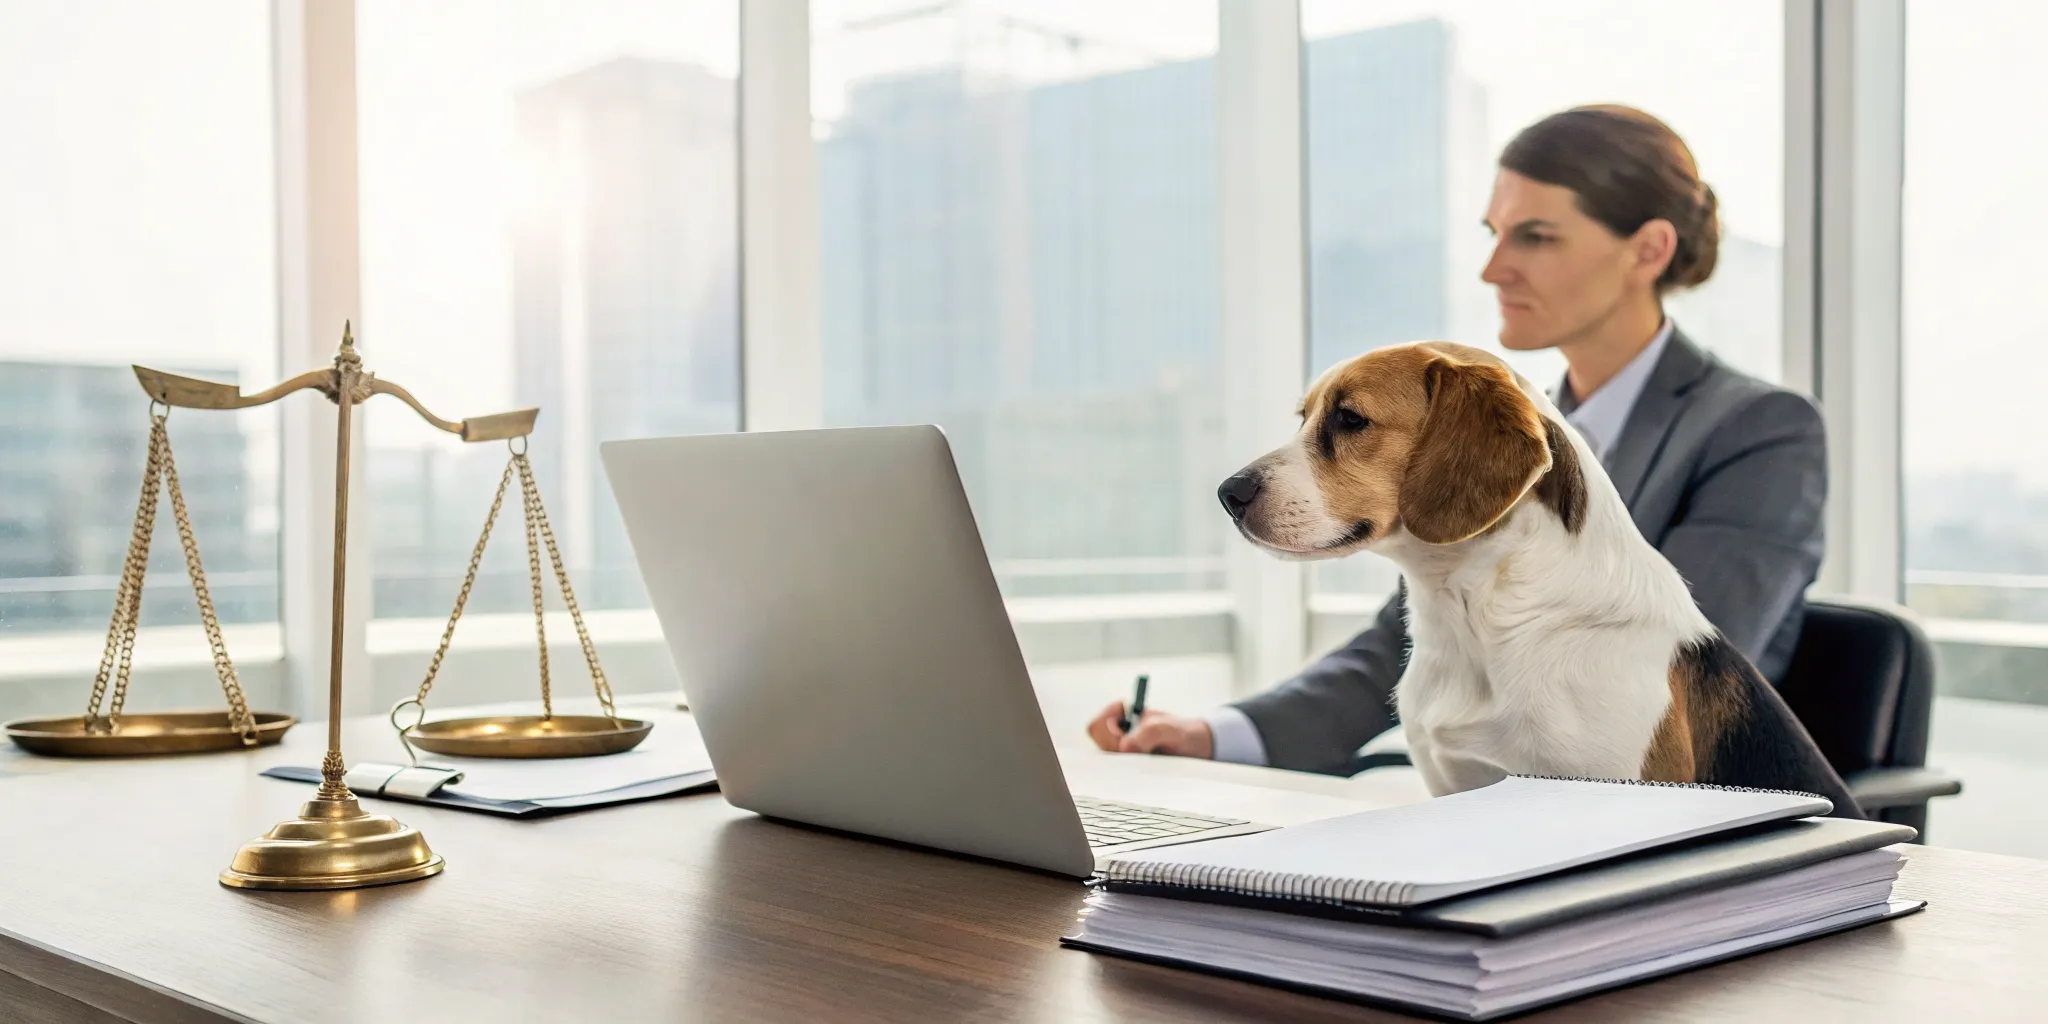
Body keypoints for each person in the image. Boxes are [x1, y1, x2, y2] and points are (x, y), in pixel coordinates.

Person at [1087, 104, 1828, 774]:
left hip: (1718, 843)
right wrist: (1219, 733)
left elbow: (1687, 657)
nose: (1493, 268)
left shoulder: (1760, 429)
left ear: (1648, 251)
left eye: (1534, 236)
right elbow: (1394, 649)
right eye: (1493, 234)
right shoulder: (1472, 426)